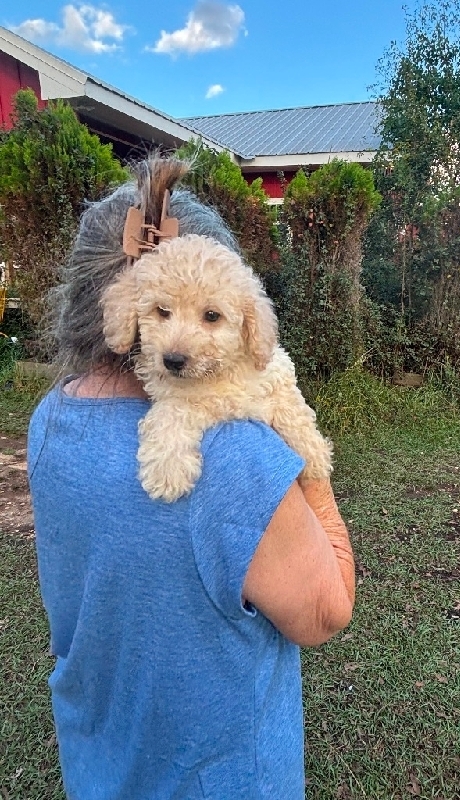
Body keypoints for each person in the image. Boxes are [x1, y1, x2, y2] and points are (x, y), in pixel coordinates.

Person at [27, 155, 355, 800]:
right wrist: (305, 457)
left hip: (98, 757)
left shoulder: (51, 419)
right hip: (216, 779)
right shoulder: (234, 456)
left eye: (208, 316)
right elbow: (327, 611)